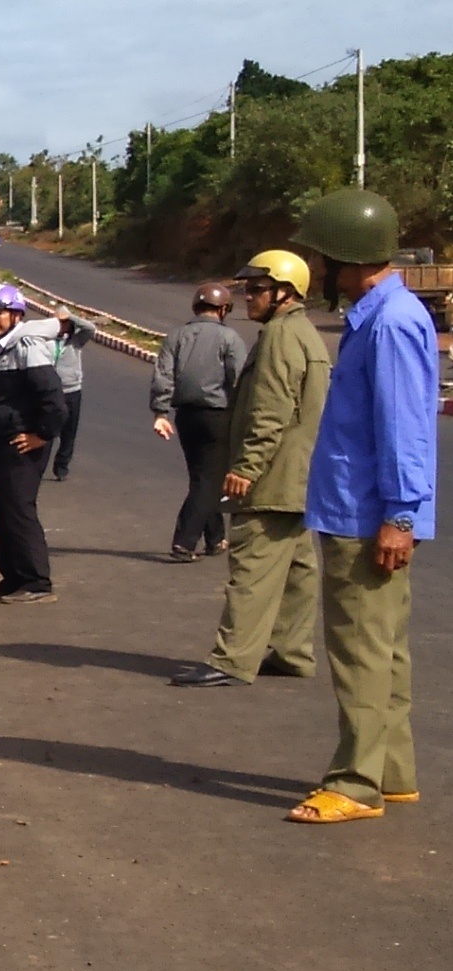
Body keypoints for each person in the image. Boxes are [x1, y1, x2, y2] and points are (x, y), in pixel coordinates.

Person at [282, 190, 439, 825]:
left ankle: (356, 784)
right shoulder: (381, 314)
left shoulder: (390, 322)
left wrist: (400, 515)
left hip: (366, 514)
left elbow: (405, 426)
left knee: (360, 652)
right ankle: (392, 772)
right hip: (364, 509)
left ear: (348, 258)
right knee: (385, 649)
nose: (318, 269)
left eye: (323, 256)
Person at [172, 251, 330, 690]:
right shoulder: (303, 333)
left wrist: (246, 466)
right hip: (299, 472)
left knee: (251, 567)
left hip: (273, 474)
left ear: (286, 292)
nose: (249, 298)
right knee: (297, 569)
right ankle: (292, 652)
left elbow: (270, 411)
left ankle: (231, 659)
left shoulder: (281, 337)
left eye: (258, 290)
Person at [0, 283, 64, 604]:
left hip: (25, 441)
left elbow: (53, 400)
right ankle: (12, 578)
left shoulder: (27, 346)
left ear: (15, 314)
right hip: (4, 440)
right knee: (2, 512)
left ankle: (37, 582)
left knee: (20, 510)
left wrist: (41, 435)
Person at [151, 281, 248, 561]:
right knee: (209, 481)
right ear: (224, 309)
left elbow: (163, 376)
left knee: (203, 477)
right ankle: (184, 541)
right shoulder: (230, 339)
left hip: (186, 417)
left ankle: (215, 539)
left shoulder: (175, 337)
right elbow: (240, 379)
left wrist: (160, 413)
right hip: (218, 416)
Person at [41, 306, 95, 480]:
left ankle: (61, 466)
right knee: (48, 429)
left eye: (65, 323)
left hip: (72, 390)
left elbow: (91, 328)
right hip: (50, 392)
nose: (62, 326)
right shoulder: (45, 341)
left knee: (69, 432)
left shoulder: (76, 341)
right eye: (59, 323)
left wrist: (70, 315)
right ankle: (39, 465)